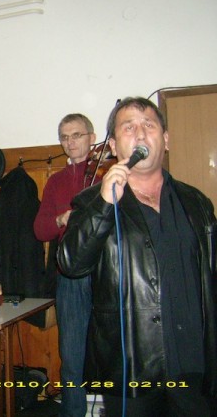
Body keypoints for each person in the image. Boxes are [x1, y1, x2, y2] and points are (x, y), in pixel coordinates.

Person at [57, 97, 217, 416]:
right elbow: (71, 264)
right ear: (114, 146)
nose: (140, 133)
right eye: (128, 127)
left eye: (149, 125)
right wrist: (104, 205)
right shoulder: (91, 203)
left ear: (166, 140)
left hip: (194, 366)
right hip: (131, 370)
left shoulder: (197, 203)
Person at [33, 114, 97, 417]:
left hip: (107, 273)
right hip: (70, 276)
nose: (70, 142)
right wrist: (61, 218)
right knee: (71, 354)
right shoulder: (55, 182)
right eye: (64, 137)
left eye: (77, 135)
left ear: (92, 138)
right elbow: (40, 230)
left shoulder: (105, 175)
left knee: (116, 349)